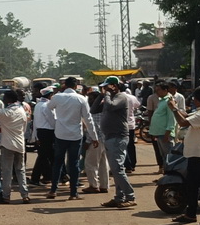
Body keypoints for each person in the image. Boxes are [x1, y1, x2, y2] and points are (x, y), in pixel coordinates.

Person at [168, 87, 200, 225]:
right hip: (195, 154)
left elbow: (183, 122)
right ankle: (190, 214)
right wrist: (177, 108)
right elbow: (187, 116)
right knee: (192, 186)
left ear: (197, 100)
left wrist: (173, 109)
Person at [48, 76, 97, 201]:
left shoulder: (57, 97)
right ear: (76, 86)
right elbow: (88, 119)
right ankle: (73, 193)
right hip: (75, 135)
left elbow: (49, 108)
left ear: (65, 85)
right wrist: (94, 136)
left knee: (58, 162)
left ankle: (53, 190)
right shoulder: (81, 98)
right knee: (74, 163)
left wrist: (55, 122)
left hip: (60, 134)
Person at [94, 77, 136, 208]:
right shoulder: (108, 98)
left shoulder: (121, 97)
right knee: (116, 168)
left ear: (115, 86)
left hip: (118, 137)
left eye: (108, 86)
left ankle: (130, 196)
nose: (106, 88)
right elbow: (93, 109)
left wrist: (106, 95)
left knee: (117, 169)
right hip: (110, 137)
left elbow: (111, 107)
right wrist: (101, 95)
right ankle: (119, 197)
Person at [81, 87, 109, 195]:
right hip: (104, 140)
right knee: (103, 164)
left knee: (90, 164)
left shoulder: (93, 113)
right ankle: (104, 185)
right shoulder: (104, 111)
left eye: (92, 99)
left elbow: (93, 129)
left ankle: (93, 185)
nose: (89, 100)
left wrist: (88, 142)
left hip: (95, 141)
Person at [30, 86, 56, 185]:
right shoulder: (46, 106)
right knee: (45, 156)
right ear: (50, 95)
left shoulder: (38, 105)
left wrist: (35, 135)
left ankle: (55, 176)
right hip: (48, 132)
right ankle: (35, 178)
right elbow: (52, 120)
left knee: (46, 156)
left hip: (40, 132)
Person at [148, 81, 176, 173]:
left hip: (165, 134)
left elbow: (171, 118)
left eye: (159, 90)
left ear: (165, 90)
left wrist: (167, 133)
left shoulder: (169, 101)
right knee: (164, 156)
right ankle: (166, 174)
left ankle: (171, 175)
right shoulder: (162, 101)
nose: (157, 92)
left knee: (169, 157)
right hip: (159, 133)